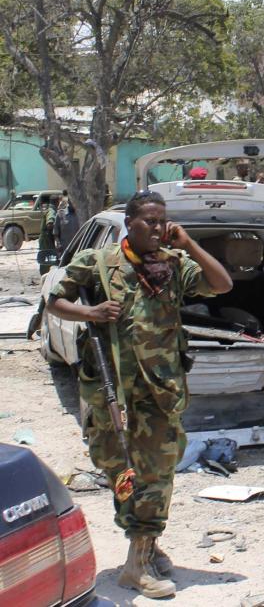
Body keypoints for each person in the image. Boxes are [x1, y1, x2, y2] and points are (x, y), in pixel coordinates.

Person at [46, 190, 232, 598]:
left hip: (159, 391)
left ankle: (138, 561)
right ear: (129, 223)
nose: (158, 228)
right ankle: (143, 545)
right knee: (122, 471)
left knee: (158, 471)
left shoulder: (172, 265)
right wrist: (90, 313)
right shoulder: (98, 263)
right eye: (150, 220)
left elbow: (222, 283)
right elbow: (54, 300)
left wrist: (189, 244)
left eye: (162, 221)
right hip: (110, 394)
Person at [38, 202, 57, 275]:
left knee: (45, 257)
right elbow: (49, 224)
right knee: (48, 256)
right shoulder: (51, 211)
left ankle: (44, 273)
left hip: (44, 238)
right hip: (47, 239)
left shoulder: (48, 210)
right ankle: (46, 274)